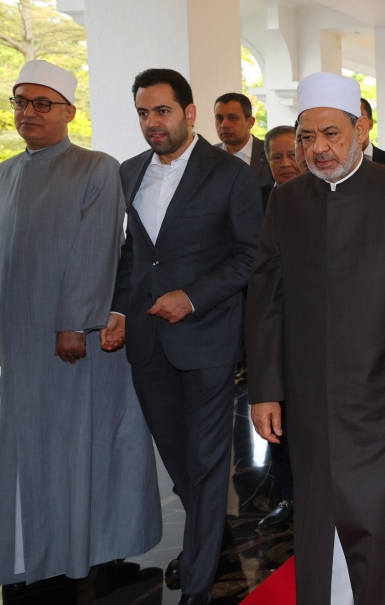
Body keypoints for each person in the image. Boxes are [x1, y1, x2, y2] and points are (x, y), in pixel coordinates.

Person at [247, 72, 385, 605]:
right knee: (322, 517)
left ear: (361, 128)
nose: (318, 148)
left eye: (331, 134)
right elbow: (266, 301)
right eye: (306, 137)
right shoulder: (286, 200)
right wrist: (264, 388)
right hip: (312, 400)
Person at [0, 60, 161, 587]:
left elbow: (96, 251)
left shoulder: (95, 166)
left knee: (74, 446)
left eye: (42, 103)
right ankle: (28, 551)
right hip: (16, 341)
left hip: (70, 341)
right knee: (22, 449)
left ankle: (86, 545)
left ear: (69, 111)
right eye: (20, 102)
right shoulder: (5, 171)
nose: (29, 112)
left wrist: (74, 322)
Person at [110, 69, 263, 605]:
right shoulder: (129, 173)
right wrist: (117, 311)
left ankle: (198, 585)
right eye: (143, 114)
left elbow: (250, 254)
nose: (152, 123)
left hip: (207, 338)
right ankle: (208, 534)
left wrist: (193, 296)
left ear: (189, 113)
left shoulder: (230, 175)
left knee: (205, 459)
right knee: (178, 458)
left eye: (162, 112)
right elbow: (134, 254)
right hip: (147, 342)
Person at [255, 124, 300, 532]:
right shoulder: (261, 202)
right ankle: (288, 498)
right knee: (279, 427)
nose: (285, 164)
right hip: (276, 338)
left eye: (291, 154)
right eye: (276, 157)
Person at [214, 92, 274, 202]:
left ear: (250, 122)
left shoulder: (270, 153)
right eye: (219, 119)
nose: (224, 125)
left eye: (232, 118)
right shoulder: (207, 156)